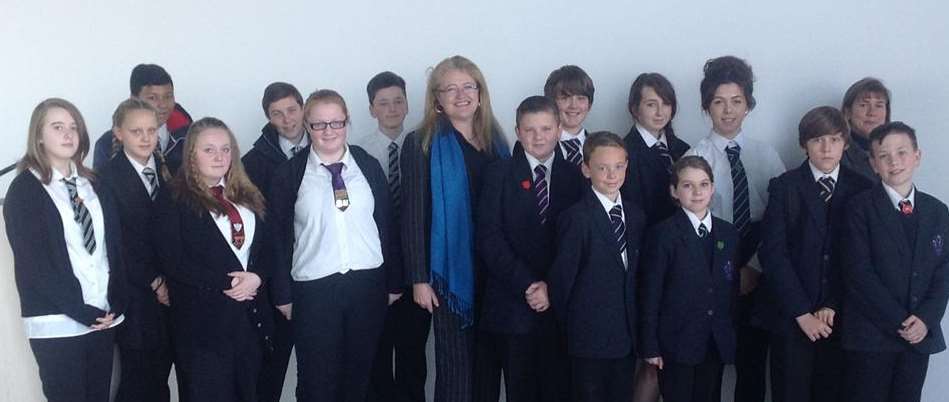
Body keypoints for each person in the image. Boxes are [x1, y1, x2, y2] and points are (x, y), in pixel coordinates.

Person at [268, 89, 401, 402]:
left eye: (336, 123)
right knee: (317, 381)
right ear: (307, 125)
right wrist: (283, 294)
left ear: (347, 122)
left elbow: (386, 224)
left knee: (360, 376)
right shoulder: (290, 174)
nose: (329, 131)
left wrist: (394, 280)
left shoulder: (366, 165)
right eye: (319, 124)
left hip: (367, 286)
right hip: (315, 290)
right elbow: (276, 237)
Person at [3, 98, 127, 402]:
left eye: (73, 127)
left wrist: (116, 301)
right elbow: (34, 265)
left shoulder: (94, 184)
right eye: (57, 127)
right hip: (58, 321)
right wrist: (80, 311)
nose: (68, 134)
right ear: (39, 136)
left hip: (102, 315)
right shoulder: (25, 189)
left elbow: (114, 250)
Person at [402, 55, 509, 402]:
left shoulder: (498, 141)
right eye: (450, 89)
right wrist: (419, 278)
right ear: (437, 99)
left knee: (488, 364)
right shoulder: (421, 143)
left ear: (480, 93)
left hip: (494, 269)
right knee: (455, 367)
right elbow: (413, 214)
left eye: (468, 86)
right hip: (447, 272)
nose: (461, 95)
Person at [685, 55, 785, 402]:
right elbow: (689, 226)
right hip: (712, 267)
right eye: (718, 102)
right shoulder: (695, 158)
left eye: (736, 102)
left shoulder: (767, 155)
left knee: (753, 366)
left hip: (759, 263)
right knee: (709, 366)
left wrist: (754, 269)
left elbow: (780, 222)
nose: (728, 111)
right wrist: (723, 275)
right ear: (706, 107)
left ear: (748, 105)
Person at [757, 106, 873, 402]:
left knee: (835, 392)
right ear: (803, 144)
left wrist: (832, 303)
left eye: (835, 140)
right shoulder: (784, 187)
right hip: (792, 316)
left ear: (846, 143)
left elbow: (861, 259)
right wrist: (802, 313)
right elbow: (773, 254)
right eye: (817, 140)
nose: (826, 148)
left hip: (841, 318)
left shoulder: (863, 189)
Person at [152, 117, 272, 402]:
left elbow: (268, 247)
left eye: (226, 149)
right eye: (209, 150)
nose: (219, 156)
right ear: (191, 154)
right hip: (202, 328)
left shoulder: (247, 194)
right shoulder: (173, 198)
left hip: (249, 323)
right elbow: (173, 260)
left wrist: (257, 277)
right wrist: (228, 282)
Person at [475, 95, 584, 402]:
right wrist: (528, 285)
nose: (539, 137)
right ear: (518, 132)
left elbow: (577, 243)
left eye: (546, 129)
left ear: (559, 130)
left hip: (560, 307)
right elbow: (489, 238)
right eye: (530, 129)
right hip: (512, 305)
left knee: (559, 390)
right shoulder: (498, 173)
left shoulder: (577, 177)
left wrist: (552, 287)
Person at [842, 122, 948, 402]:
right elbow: (859, 273)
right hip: (872, 336)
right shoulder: (859, 209)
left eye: (901, 152)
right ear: (873, 164)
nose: (894, 162)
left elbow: (943, 272)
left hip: (919, 335)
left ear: (917, 156)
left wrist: (925, 319)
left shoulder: (937, 211)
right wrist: (900, 321)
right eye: (884, 156)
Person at [549, 131, 645, 402]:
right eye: (602, 168)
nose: (611, 175)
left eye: (618, 167)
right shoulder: (575, 218)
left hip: (626, 337)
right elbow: (562, 283)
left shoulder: (636, 216)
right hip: (588, 338)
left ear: (626, 166)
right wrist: (576, 328)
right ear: (586, 169)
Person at [98, 98, 183, 402]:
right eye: (137, 131)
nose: (147, 138)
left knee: (161, 377)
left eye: (152, 130)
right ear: (118, 133)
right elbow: (114, 243)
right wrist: (154, 280)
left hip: (174, 292)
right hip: (136, 295)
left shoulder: (170, 171)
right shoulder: (105, 179)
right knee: (138, 379)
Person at [354, 71, 431, 402]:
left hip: (417, 267)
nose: (392, 108)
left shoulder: (424, 146)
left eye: (398, 100)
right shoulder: (356, 154)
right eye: (383, 103)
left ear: (407, 104)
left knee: (414, 354)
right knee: (378, 353)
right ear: (371, 109)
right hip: (377, 270)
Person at [641, 155, 740, 402]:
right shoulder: (663, 235)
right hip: (676, 342)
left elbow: (731, 288)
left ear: (713, 188)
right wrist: (650, 345)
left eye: (704, 184)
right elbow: (650, 293)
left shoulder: (728, 232)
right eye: (687, 185)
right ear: (674, 191)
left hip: (714, 340)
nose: (697, 192)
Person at [240, 81, 308, 402]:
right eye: (277, 113)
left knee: (319, 369)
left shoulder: (327, 147)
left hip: (321, 276)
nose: (287, 119)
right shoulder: (253, 162)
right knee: (272, 367)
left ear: (303, 107)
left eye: (292, 109)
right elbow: (254, 229)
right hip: (275, 281)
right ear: (268, 117)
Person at [93, 63, 193, 173]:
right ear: (134, 99)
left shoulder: (187, 134)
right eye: (152, 98)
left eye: (168, 96)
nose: (162, 104)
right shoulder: (108, 144)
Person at [840, 77, 891, 181]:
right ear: (848, 112)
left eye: (879, 105)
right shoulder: (835, 154)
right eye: (864, 105)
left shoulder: (894, 151)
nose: (872, 113)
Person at [544, 65, 595, 167]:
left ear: (589, 105)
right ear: (551, 103)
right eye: (565, 98)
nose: (573, 105)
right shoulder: (540, 146)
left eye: (581, 98)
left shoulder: (600, 146)